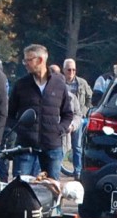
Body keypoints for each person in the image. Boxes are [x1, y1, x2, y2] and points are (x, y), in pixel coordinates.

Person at [7, 44, 74, 177]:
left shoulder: (59, 84)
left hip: (52, 147)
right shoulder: (21, 85)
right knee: (20, 185)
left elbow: (67, 114)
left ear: (40, 60)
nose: (25, 64)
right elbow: (9, 114)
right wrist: (21, 130)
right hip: (26, 147)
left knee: (52, 186)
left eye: (29, 60)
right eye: (24, 60)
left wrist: (58, 130)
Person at [62, 58, 93, 179]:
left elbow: (90, 98)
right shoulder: (59, 82)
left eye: (73, 70)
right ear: (64, 70)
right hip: (62, 118)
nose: (71, 72)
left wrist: (83, 111)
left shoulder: (82, 83)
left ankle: (78, 171)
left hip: (77, 117)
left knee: (77, 146)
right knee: (60, 146)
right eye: (69, 70)